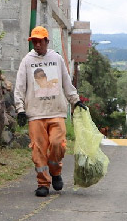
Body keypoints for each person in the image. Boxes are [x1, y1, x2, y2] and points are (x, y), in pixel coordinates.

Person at [14, 26, 85, 197]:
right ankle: (43, 183)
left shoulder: (57, 59)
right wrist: (20, 109)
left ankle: (55, 171)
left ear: (47, 41)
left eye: (40, 41)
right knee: (38, 149)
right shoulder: (27, 61)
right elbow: (20, 87)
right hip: (36, 114)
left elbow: (66, 83)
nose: (37, 45)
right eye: (34, 42)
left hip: (56, 111)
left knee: (57, 144)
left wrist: (75, 101)